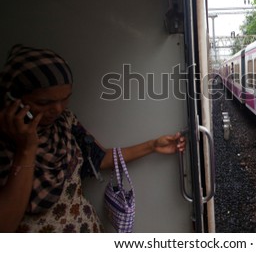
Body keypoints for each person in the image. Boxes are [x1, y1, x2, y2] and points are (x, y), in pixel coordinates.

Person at [0, 45, 186, 233]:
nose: (57, 109)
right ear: (12, 97)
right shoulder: (7, 143)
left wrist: (152, 145)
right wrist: (26, 150)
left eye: (65, 99)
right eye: (43, 102)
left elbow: (98, 159)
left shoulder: (65, 123)